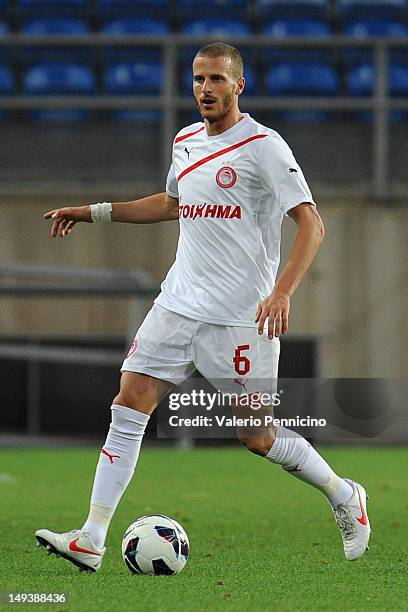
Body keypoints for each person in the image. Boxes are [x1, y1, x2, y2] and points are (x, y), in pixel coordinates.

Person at [35, 42, 370, 572]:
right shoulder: (186, 140)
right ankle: (92, 537)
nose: (205, 89)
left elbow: (312, 223)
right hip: (179, 303)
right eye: (197, 79)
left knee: (257, 436)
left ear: (239, 85)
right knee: (130, 399)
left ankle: (344, 494)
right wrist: (93, 211)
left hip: (242, 318)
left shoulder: (264, 146)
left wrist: (281, 291)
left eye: (216, 79)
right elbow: (171, 203)